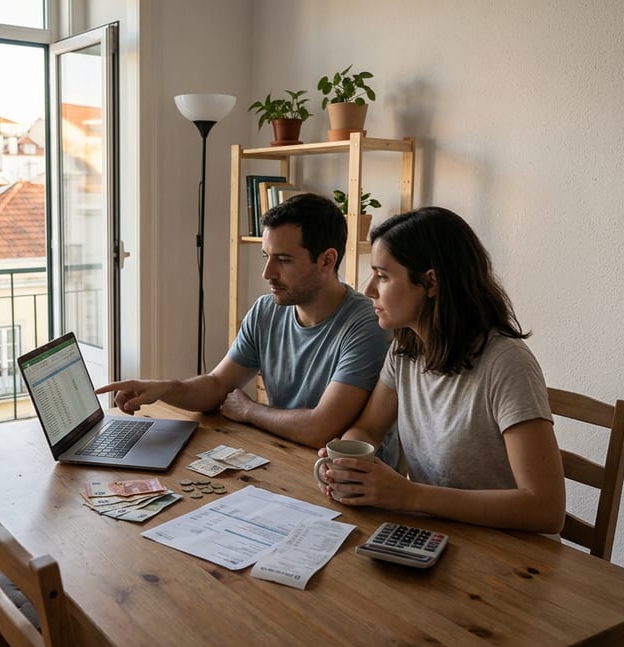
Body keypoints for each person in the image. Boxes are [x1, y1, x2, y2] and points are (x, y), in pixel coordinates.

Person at [317, 206, 565, 533]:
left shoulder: (507, 363)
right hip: (434, 535)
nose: (368, 291)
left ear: (430, 282)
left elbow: (545, 508)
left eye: (382, 276)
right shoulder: (405, 349)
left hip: (510, 555)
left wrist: (410, 496)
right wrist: (348, 463)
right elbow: (368, 429)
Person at [97, 192, 390, 449]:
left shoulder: (366, 325)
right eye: (266, 256)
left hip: (347, 483)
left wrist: (249, 410)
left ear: (326, 261)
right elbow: (217, 385)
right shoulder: (266, 310)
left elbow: (320, 429)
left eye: (284, 260)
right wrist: (164, 389)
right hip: (284, 455)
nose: (267, 273)